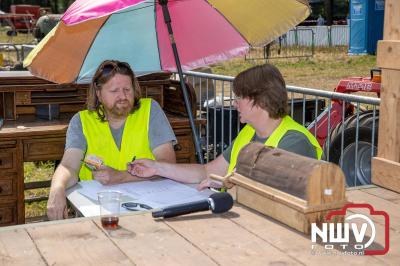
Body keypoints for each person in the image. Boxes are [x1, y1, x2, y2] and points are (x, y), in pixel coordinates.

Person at [128, 64, 322, 189]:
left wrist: (228, 183)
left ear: (259, 100)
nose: (235, 103)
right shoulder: (249, 132)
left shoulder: (293, 141)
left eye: (239, 97)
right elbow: (207, 172)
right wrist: (157, 168)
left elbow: (272, 195)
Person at [47, 60, 177, 220]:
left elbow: (168, 164)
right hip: (97, 212)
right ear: (99, 93)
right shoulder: (82, 121)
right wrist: (57, 190)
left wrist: (121, 177)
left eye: (127, 89)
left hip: (149, 210)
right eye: (114, 90)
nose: (122, 96)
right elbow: (69, 167)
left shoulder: (150, 110)